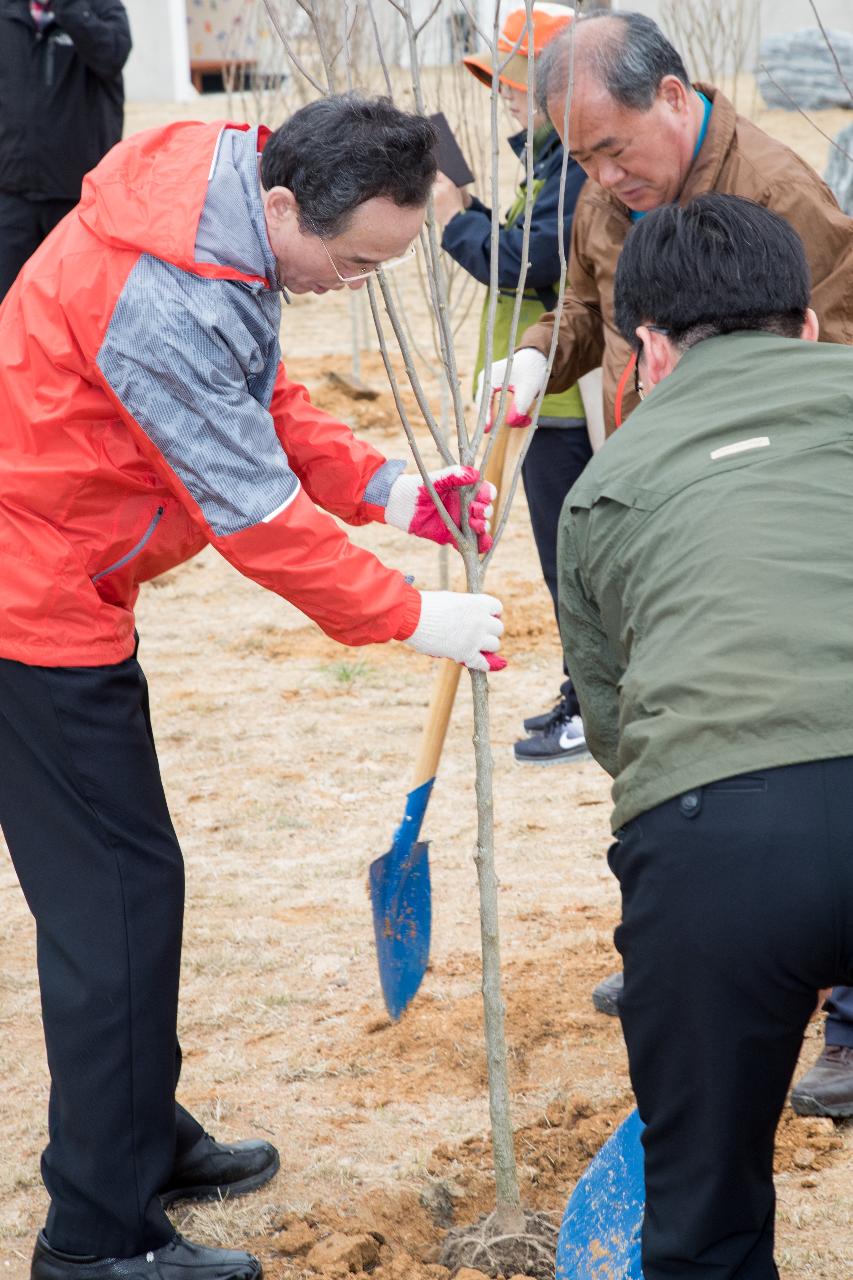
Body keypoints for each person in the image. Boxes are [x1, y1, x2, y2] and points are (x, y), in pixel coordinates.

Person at [0, 94, 505, 1280]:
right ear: (285, 205)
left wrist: (385, 489)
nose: (355, 282)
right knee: (115, 907)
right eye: (353, 259)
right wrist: (413, 612)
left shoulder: (225, 208)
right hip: (29, 596)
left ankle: (136, 1132)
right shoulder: (163, 294)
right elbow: (254, 513)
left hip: (65, 570)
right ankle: (93, 1236)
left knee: (133, 889)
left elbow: (259, 394)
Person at [480, 8, 853, 1094]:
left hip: (774, 503)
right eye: (581, 154)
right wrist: (536, 359)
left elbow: (824, 355)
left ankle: (843, 1012)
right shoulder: (609, 198)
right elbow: (591, 311)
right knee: (673, 713)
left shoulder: (782, 196)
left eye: (612, 146)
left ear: (674, 98)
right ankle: (686, 927)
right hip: (661, 507)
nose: (601, 173)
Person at [557, 191, 853, 1280]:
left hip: (714, 840)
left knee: (704, 1215)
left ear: (649, 351)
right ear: (808, 323)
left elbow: (615, 725)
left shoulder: (604, 486)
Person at [433, 2, 590, 766]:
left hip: (565, 401)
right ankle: (584, 691)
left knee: (579, 567)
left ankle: (596, 705)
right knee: (567, 566)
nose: (504, 94)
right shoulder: (551, 162)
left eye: (516, 82)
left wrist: (453, 219)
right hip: (542, 401)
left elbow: (536, 263)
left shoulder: (580, 162)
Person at [0, 0, 131, 301]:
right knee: (8, 308)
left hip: (78, 200)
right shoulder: (7, 12)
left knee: (75, 305)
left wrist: (69, 9)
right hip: (12, 196)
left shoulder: (101, 8)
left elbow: (113, 55)